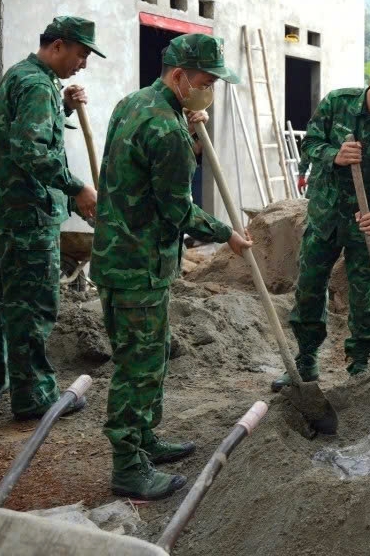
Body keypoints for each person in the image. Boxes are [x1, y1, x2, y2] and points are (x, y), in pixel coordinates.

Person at [92, 33, 253, 501]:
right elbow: (178, 210)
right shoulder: (166, 130)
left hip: (118, 256)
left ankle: (145, 439)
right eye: (205, 82)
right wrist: (228, 234)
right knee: (138, 366)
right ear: (180, 77)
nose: (211, 91)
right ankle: (128, 466)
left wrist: (185, 124)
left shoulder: (133, 104)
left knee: (151, 353)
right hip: (138, 266)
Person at [0, 16, 103, 420]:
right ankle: (34, 398)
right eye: (81, 54)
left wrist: (60, 104)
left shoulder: (24, 77)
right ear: (58, 45)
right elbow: (32, 151)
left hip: (11, 213)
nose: (82, 64)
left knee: (0, 300)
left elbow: (21, 132)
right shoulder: (35, 84)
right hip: (28, 217)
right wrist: (75, 187)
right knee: (32, 306)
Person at [272, 59, 370, 389]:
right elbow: (309, 144)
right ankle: (306, 359)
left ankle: (361, 365)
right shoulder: (337, 103)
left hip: (367, 222)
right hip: (326, 214)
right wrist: (334, 155)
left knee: (365, 294)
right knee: (310, 285)